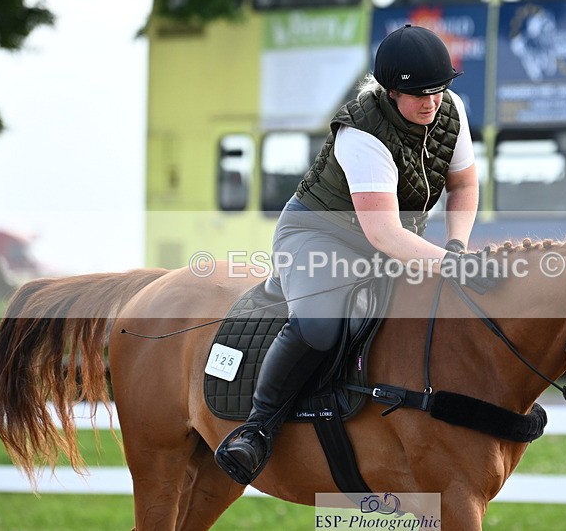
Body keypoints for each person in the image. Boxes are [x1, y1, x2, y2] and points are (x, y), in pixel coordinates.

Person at [214, 25, 500, 486]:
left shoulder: (451, 110)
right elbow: (384, 232)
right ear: (390, 92)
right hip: (320, 236)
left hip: (392, 241)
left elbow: (463, 184)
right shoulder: (361, 134)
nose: (431, 103)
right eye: (417, 95)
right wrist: (449, 264)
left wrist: (458, 247)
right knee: (321, 326)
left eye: (439, 91)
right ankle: (256, 430)